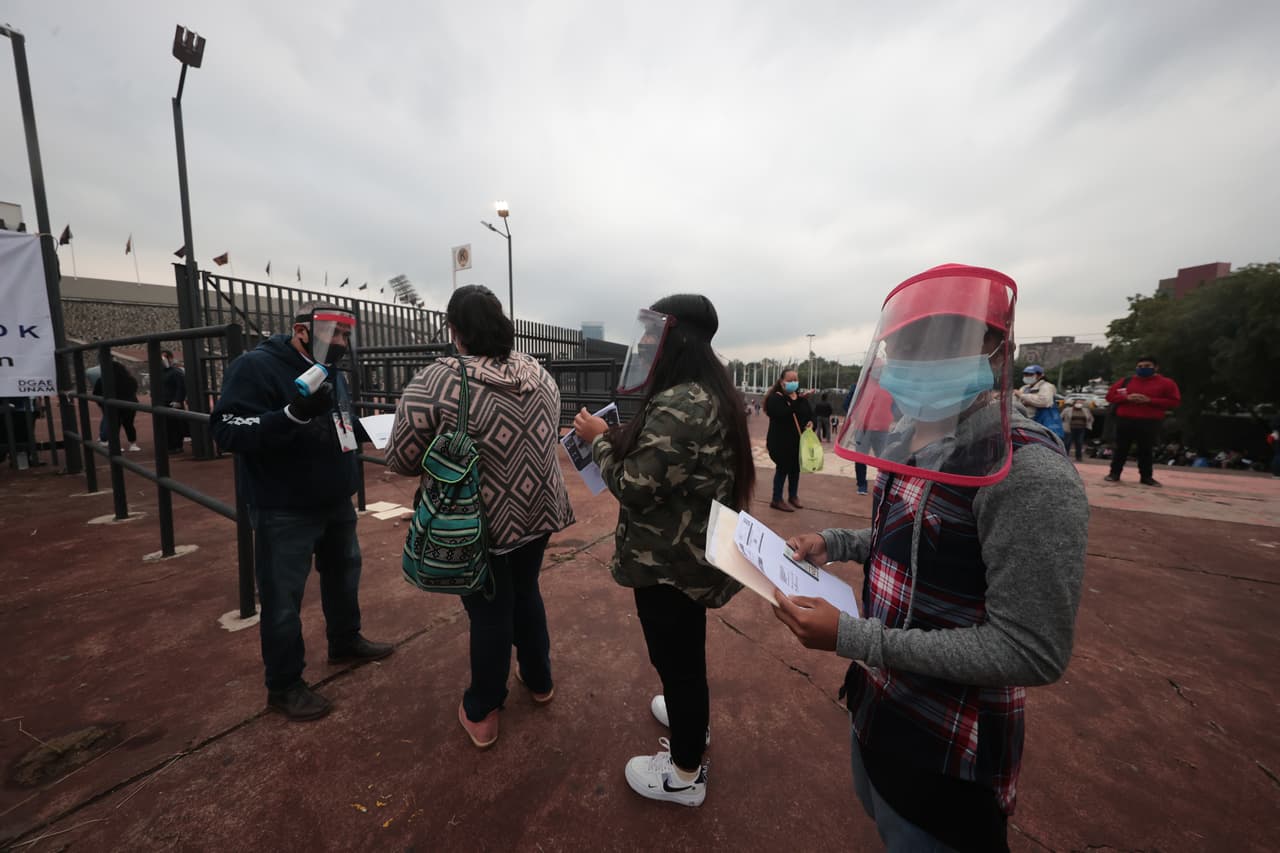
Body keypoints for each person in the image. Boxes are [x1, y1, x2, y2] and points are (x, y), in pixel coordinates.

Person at [769, 263, 1088, 852]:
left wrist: (854, 638)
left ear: (995, 349)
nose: (915, 363)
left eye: (941, 343)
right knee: (884, 818)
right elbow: (910, 537)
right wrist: (834, 543)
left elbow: (1031, 649)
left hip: (950, 751)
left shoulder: (1028, 472)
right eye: (904, 348)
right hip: (878, 709)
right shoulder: (914, 436)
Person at [573, 294, 754, 808]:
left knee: (676, 660)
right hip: (687, 557)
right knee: (684, 656)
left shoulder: (682, 402)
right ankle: (689, 721)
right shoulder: (705, 392)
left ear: (679, 337)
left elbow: (634, 485)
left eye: (654, 334)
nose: (646, 344)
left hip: (670, 562)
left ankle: (684, 774)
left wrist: (599, 440)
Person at [386, 285, 575, 749]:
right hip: (539, 509)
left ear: (455, 329)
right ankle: (539, 680)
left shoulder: (437, 381)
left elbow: (401, 459)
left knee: (490, 612)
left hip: (479, 522)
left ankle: (483, 710)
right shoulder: (538, 372)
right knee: (525, 591)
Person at [211, 301, 392, 721]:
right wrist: (290, 415)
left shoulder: (332, 372)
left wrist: (378, 427)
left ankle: (344, 639)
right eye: (334, 333)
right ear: (302, 330)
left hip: (335, 498)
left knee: (344, 575)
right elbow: (226, 429)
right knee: (282, 599)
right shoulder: (255, 367)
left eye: (347, 334)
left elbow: (338, 425)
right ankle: (284, 684)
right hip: (284, 505)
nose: (342, 342)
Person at [1105, 356, 1181, 486]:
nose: (1143, 369)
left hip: (1149, 421)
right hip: (1125, 420)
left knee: (1146, 450)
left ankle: (1146, 477)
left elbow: (1174, 401)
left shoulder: (1166, 383)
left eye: (1147, 366)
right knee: (1121, 448)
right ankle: (1114, 473)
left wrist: (1150, 400)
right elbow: (1110, 396)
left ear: (1156, 368)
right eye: (1140, 366)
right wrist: (1127, 398)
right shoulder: (1126, 381)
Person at [764, 369, 813, 511]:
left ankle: (793, 496)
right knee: (782, 468)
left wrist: (811, 422)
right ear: (782, 382)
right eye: (790, 380)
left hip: (797, 441)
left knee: (795, 469)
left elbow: (810, 414)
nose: (793, 383)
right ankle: (776, 499)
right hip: (780, 442)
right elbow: (783, 414)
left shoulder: (800, 398)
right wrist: (800, 400)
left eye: (795, 380)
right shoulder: (775, 398)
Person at [93, 357, 141, 452]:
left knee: (114, 426)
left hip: (112, 406)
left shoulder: (103, 380)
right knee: (129, 425)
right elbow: (134, 390)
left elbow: (96, 393)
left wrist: (102, 405)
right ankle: (133, 444)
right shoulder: (130, 379)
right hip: (129, 405)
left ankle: (116, 445)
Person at [1014, 365, 1064, 440]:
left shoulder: (1046, 386)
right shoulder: (1024, 388)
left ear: (1040, 375)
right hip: (1025, 422)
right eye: (1025, 374)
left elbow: (1045, 401)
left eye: (1030, 374)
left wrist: (1023, 396)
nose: (1027, 376)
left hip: (1041, 421)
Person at [156, 349, 188, 454]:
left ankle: (177, 446)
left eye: (165, 358)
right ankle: (170, 445)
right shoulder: (160, 372)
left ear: (170, 358)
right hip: (164, 402)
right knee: (166, 426)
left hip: (173, 402)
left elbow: (181, 387)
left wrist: (178, 400)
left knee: (176, 426)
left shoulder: (176, 372)